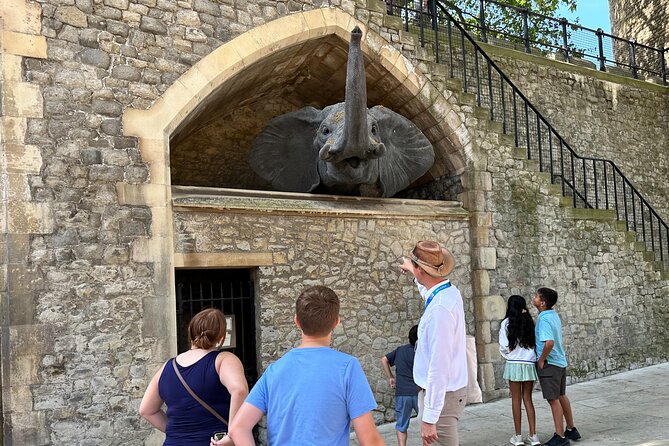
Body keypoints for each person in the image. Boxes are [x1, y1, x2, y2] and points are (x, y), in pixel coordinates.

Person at [222, 285, 385, 446]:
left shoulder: (274, 370)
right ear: (336, 322)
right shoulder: (348, 368)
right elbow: (369, 439)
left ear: (296, 321)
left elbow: (238, 429)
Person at [139, 308, 249, 445]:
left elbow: (146, 410)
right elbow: (240, 390)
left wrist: (178, 433)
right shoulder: (224, 360)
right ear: (221, 337)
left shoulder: (167, 367)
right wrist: (233, 434)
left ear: (190, 332)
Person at [400, 240, 467, 446]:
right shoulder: (447, 292)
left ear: (422, 270)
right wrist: (414, 271)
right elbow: (428, 292)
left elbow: (439, 366)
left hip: (442, 397)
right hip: (443, 395)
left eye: (416, 266)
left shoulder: (440, 311)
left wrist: (429, 418)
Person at [532, 287, 582, 446]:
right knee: (561, 396)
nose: (533, 298)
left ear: (542, 302)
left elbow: (549, 342)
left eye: (536, 296)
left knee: (553, 400)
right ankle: (571, 429)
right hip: (560, 362)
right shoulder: (552, 315)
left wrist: (541, 359)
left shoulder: (544, 319)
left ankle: (560, 437)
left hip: (550, 364)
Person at [499, 295, 540, 446]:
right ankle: (533, 435)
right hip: (529, 364)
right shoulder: (529, 322)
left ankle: (518, 437)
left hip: (514, 364)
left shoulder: (506, 323)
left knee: (515, 400)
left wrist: (510, 355)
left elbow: (503, 346)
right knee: (528, 399)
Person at [381, 325, 420, 446]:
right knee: (427, 424)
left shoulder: (400, 350)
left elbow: (384, 359)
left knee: (401, 426)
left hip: (402, 393)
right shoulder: (424, 352)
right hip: (420, 394)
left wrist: (391, 377)